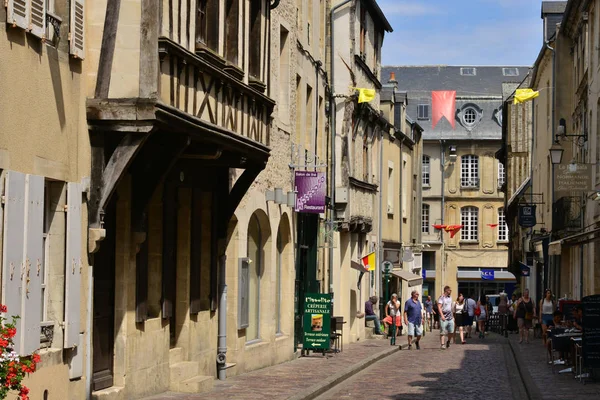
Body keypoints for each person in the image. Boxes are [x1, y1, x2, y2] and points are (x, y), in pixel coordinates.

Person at [438, 286, 454, 350]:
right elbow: (439, 307)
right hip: (443, 317)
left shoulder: (450, 297)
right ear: (446, 291)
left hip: (450, 317)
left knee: (451, 331)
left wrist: (453, 316)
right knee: (443, 331)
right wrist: (442, 315)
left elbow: (450, 307)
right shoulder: (442, 298)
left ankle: (448, 341)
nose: (450, 291)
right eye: (450, 290)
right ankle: (442, 344)